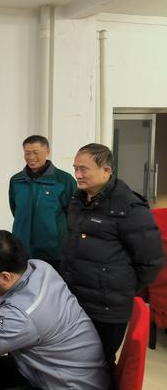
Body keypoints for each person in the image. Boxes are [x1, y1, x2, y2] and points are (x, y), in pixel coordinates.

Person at [0, 230, 110, 390]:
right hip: (81, 369)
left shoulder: (22, 315)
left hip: (70, 384)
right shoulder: (41, 267)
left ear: (5, 276)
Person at [62, 143, 164, 369]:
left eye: (83, 169)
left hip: (107, 309)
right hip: (76, 299)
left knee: (98, 364)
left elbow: (152, 261)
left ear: (106, 171)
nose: (77, 175)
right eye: (75, 168)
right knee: (75, 362)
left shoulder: (129, 207)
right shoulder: (78, 199)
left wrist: (121, 288)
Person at [8, 135, 76, 271]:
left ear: (47, 152)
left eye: (36, 152)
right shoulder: (16, 180)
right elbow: (15, 210)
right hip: (22, 249)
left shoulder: (64, 180)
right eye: (27, 153)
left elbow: (74, 214)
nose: (31, 157)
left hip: (54, 252)